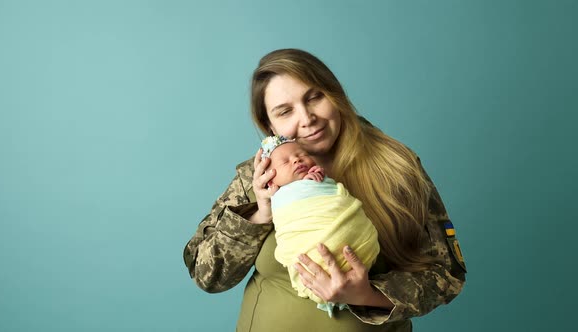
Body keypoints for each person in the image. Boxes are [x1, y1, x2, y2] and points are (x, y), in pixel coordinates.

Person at [184, 48, 467, 331]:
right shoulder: (259, 178)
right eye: (285, 111)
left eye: (315, 97)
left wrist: (366, 294)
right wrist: (258, 215)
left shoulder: (396, 165)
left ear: (335, 94)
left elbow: (447, 274)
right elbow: (207, 275)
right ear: (270, 125)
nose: (307, 119)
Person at [260, 135, 380, 317]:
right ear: (270, 180)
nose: (297, 159)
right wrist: (260, 213)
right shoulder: (270, 192)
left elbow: (333, 197)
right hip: (311, 256)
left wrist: (319, 182)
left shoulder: (384, 161)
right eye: (285, 162)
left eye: (301, 154)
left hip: (357, 246)